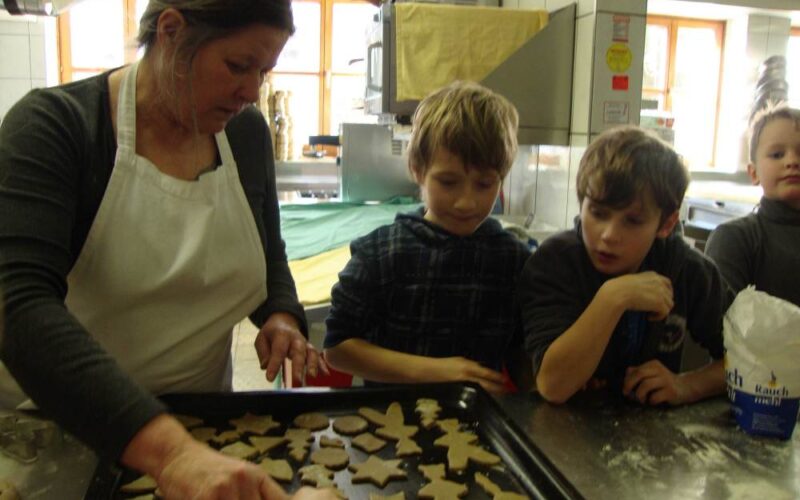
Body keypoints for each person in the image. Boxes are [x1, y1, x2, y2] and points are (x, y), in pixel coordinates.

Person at [0, 1, 332, 498]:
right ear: (172, 31)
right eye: (239, 66)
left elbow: (268, 251)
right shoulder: (54, 128)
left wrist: (281, 314)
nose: (251, 91)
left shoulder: (243, 133)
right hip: (55, 433)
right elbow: (17, 306)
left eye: (264, 71)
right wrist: (170, 450)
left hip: (203, 429)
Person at [323, 81, 532, 393]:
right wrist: (440, 371)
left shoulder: (513, 260)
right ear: (417, 169)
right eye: (448, 183)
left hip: (480, 427)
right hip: (391, 426)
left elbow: (522, 354)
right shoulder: (379, 253)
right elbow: (337, 349)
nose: (466, 202)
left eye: (484, 184)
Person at [518, 126, 732, 406]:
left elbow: (757, 363)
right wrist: (614, 297)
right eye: (598, 213)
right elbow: (553, 385)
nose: (608, 235)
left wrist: (686, 386)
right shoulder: (554, 264)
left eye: (632, 221)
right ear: (581, 203)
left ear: (666, 224)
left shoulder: (686, 269)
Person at [705, 103, 800, 307]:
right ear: (754, 173)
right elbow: (723, 325)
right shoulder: (735, 239)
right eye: (777, 155)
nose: (792, 161)